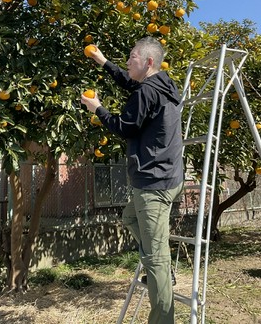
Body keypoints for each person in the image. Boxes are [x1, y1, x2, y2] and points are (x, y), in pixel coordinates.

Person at [81, 36, 184, 324]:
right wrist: (103, 62)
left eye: (132, 57)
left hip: (153, 184)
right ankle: (161, 269)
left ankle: (162, 309)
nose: (128, 62)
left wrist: (97, 109)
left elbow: (124, 127)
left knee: (155, 259)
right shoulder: (163, 84)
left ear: (148, 62)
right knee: (130, 218)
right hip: (169, 177)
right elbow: (131, 83)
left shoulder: (146, 93)